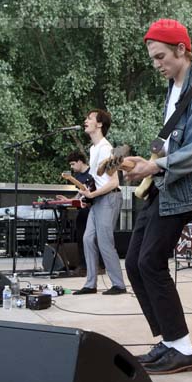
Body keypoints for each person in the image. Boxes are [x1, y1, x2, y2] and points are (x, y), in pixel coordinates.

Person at [122, 19, 192, 375]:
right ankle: (168, 342)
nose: (156, 64)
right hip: (164, 184)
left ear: (182, 49)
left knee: (150, 262)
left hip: (185, 189)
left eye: (161, 56)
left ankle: (183, 349)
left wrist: (152, 169)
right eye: (152, 58)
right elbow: (166, 143)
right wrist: (143, 162)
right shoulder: (173, 88)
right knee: (134, 263)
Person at [73, 109, 127, 295]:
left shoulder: (106, 148)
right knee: (88, 239)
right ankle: (90, 284)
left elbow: (114, 182)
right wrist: (87, 192)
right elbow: (99, 180)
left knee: (105, 241)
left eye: (89, 118)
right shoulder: (93, 148)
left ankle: (118, 285)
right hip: (98, 199)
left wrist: (93, 195)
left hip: (109, 197)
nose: (85, 120)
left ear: (100, 124)